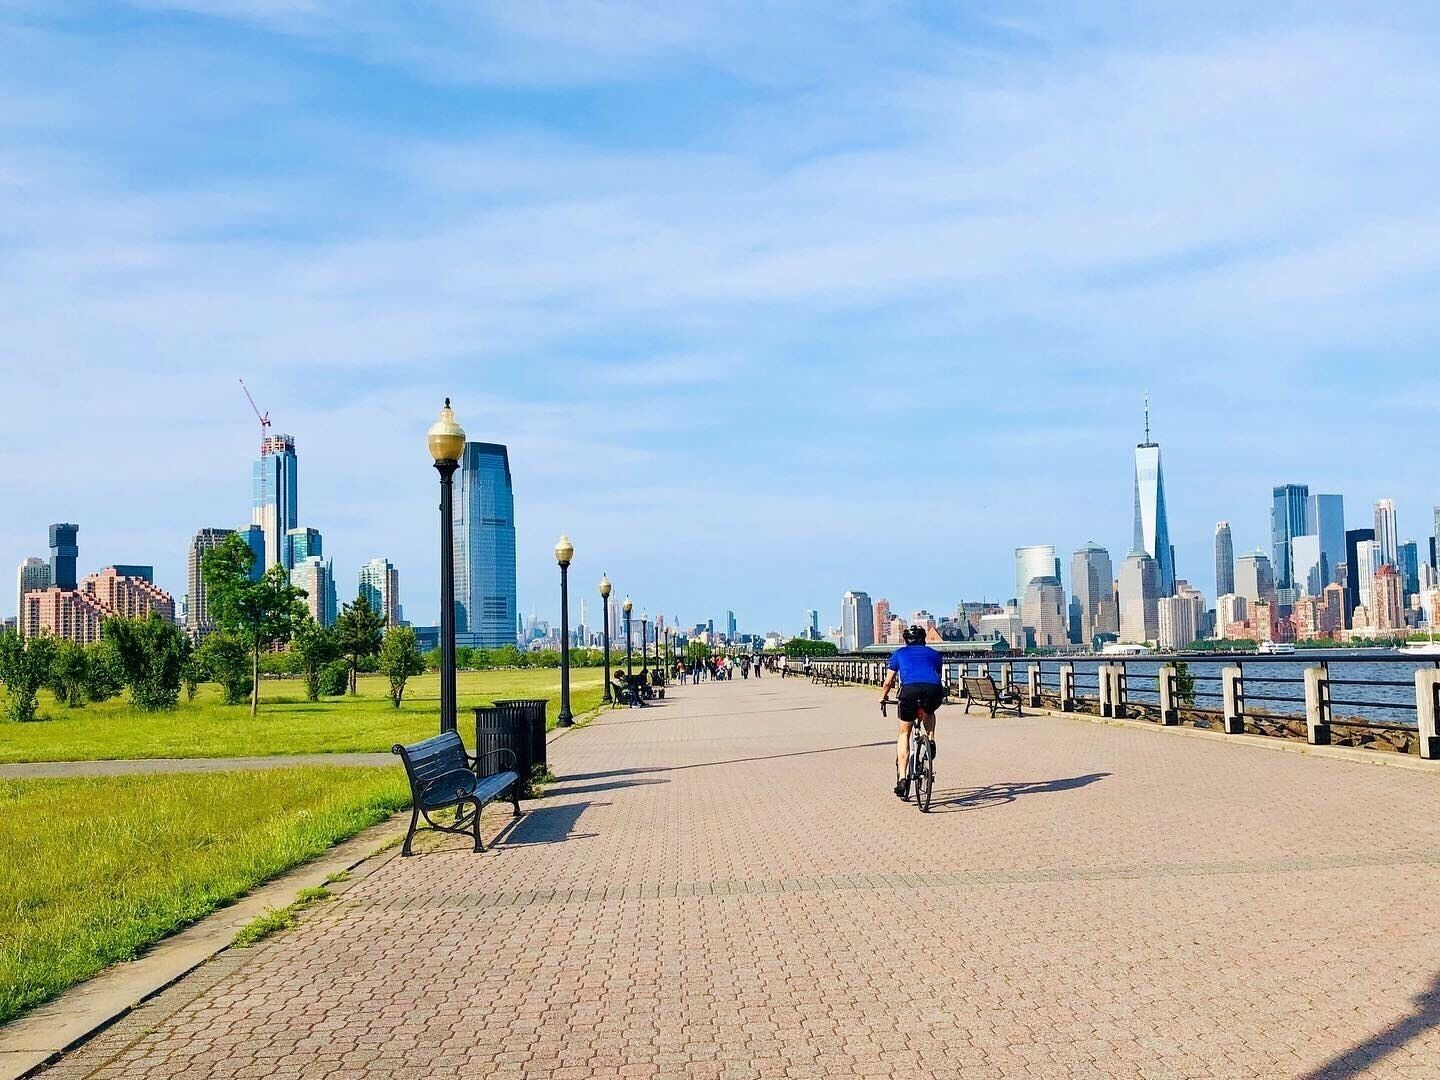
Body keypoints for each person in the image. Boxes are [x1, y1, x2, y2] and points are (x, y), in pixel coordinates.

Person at [878, 626, 944, 798]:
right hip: (933, 690)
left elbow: (888, 682)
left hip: (909, 691)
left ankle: (902, 778)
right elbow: (936, 675)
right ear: (924, 639)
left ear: (906, 640)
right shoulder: (935, 655)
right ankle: (931, 740)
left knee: (904, 733)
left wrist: (883, 697)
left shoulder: (899, 654)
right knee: (929, 712)